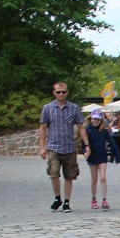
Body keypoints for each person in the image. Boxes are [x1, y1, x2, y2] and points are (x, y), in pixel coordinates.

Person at [39, 81, 90, 213]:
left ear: (67, 92)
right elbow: (43, 128)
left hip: (69, 147)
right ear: (54, 93)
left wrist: (87, 145)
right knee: (53, 173)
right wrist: (42, 147)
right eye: (58, 92)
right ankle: (57, 198)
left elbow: (81, 127)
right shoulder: (47, 108)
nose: (61, 94)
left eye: (63, 92)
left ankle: (67, 202)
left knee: (69, 175)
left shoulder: (74, 108)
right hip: (53, 146)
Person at [81, 109, 120, 209]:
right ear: (91, 119)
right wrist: (85, 151)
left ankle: (104, 199)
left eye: (98, 119)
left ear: (101, 120)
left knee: (103, 177)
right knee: (94, 179)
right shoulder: (87, 129)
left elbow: (112, 142)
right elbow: (83, 144)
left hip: (102, 155)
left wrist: (117, 154)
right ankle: (93, 199)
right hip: (92, 156)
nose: (96, 121)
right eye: (94, 119)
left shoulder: (103, 131)